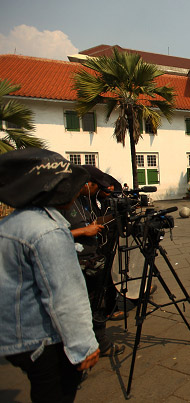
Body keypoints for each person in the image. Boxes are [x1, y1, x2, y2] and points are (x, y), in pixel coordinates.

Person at [0, 148, 100, 402]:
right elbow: (65, 296)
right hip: (41, 341)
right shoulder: (48, 231)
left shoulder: (9, 225)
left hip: (14, 336)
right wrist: (84, 345)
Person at [60, 165, 125, 358]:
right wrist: (82, 232)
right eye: (97, 186)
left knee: (97, 303)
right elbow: (49, 234)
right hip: (73, 264)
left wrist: (113, 217)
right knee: (78, 309)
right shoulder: (62, 203)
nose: (98, 191)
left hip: (92, 261)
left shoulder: (84, 200)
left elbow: (92, 221)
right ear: (86, 184)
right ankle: (78, 351)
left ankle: (100, 343)